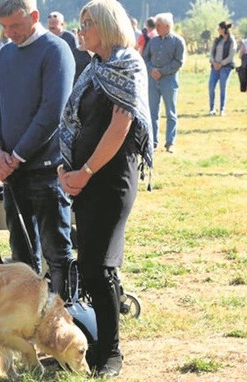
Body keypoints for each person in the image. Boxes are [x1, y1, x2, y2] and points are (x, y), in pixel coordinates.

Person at [58, 0, 153, 376]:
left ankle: (111, 354)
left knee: (100, 267)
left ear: (106, 26)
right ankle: (100, 347)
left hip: (111, 180)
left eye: (86, 24)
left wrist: (86, 171)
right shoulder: (95, 68)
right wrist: (68, 169)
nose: (80, 30)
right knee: (93, 265)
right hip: (85, 179)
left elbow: (119, 128)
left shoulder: (126, 64)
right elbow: (76, 122)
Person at [0, 0, 74, 297]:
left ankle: (63, 315)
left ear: (34, 16)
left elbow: (52, 111)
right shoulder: (6, 54)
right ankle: (26, 317)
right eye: (4, 27)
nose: (10, 33)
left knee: (56, 251)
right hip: (12, 171)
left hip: (46, 169)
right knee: (21, 252)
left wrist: (16, 156)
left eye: (16, 26)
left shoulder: (56, 50)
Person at [143, 12, 185, 153]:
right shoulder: (153, 41)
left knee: (170, 113)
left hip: (169, 81)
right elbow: (145, 58)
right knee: (152, 112)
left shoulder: (178, 41)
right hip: (153, 81)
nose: (156, 27)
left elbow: (178, 62)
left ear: (167, 26)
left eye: (159, 25)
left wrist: (161, 71)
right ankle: (153, 142)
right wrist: (151, 70)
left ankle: (170, 142)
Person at [47, 11, 91, 82]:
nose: (51, 26)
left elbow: (75, 56)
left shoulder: (69, 37)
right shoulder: (46, 38)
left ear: (62, 24)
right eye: (50, 24)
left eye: (54, 23)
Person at [208, 21, 236, 116]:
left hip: (225, 67)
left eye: (219, 28)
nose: (218, 30)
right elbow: (211, 53)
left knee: (222, 88)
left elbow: (231, 56)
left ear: (223, 30)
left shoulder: (231, 41)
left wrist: (221, 64)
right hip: (214, 67)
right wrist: (213, 62)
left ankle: (222, 109)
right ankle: (212, 109)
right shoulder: (216, 40)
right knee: (211, 86)